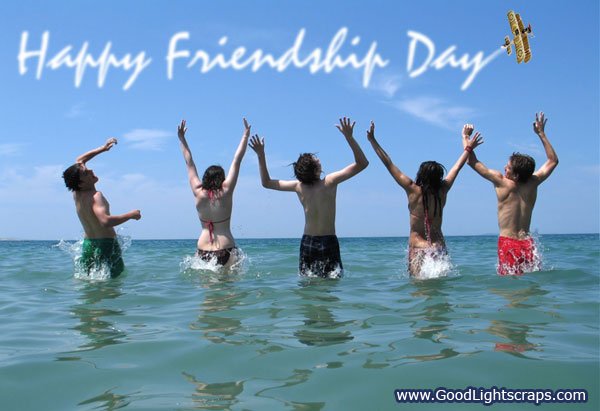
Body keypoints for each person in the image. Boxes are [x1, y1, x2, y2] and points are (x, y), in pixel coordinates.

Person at [249, 117, 369, 278]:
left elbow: (266, 183)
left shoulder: (299, 187)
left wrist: (260, 154)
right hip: (328, 240)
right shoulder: (329, 182)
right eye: (315, 159)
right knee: (331, 283)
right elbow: (362, 163)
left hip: (308, 241)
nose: (318, 159)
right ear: (315, 168)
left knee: (307, 284)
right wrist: (349, 137)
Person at [368, 122, 483, 277]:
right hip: (438, 246)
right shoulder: (443, 190)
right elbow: (457, 167)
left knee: (419, 286)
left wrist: (372, 140)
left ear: (421, 175)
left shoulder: (412, 189)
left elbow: (388, 163)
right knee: (439, 285)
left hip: (418, 247)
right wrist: (468, 147)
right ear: (439, 177)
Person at [465, 112, 558, 275]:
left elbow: (471, 161)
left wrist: (466, 137)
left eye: (508, 168)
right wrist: (541, 134)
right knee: (531, 284)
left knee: (510, 286)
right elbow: (553, 161)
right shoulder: (533, 182)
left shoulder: (502, 182)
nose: (504, 168)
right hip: (528, 244)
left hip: (508, 243)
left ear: (515, 175)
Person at [62, 138, 141, 278]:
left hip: (88, 245)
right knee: (112, 285)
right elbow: (105, 221)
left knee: (86, 281)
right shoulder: (96, 196)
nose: (91, 170)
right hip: (107, 245)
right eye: (86, 173)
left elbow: (80, 160)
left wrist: (103, 148)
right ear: (81, 183)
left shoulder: (76, 193)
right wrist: (131, 215)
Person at [177, 118, 250, 268]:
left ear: (205, 178)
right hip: (226, 248)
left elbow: (189, 163)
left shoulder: (198, 192)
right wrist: (245, 136)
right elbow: (237, 160)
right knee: (229, 283)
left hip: (202, 250)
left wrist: (182, 138)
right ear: (222, 179)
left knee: (208, 284)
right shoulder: (226, 191)